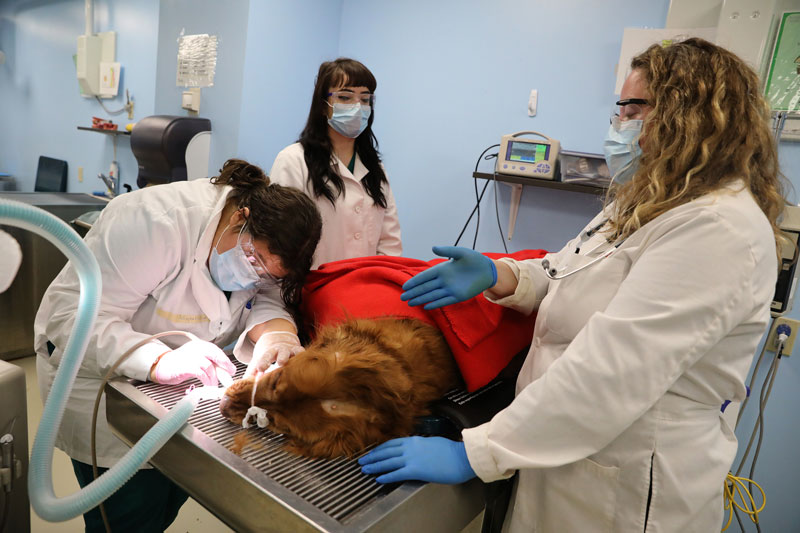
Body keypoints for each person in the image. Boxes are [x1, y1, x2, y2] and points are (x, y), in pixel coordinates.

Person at [359, 38, 787, 531]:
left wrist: (475, 454)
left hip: (625, 483)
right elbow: (565, 271)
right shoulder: (644, 205)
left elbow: (611, 372)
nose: (617, 121)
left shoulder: (717, 228)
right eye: (618, 106)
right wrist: (499, 274)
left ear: (686, 114)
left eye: (632, 107)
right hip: (562, 455)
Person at [33, 159, 322, 532]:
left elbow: (266, 294)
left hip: (179, 400)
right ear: (240, 218)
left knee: (163, 504)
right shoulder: (155, 222)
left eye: (269, 272)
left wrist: (278, 334)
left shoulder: (263, 248)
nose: (255, 273)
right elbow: (70, 319)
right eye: (254, 260)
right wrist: (156, 360)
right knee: (128, 516)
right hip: (101, 393)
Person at [269, 57, 402, 269]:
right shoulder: (294, 161)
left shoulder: (376, 169)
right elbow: (280, 240)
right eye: (345, 97)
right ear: (324, 106)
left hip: (365, 290)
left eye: (365, 99)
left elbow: (390, 243)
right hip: (312, 291)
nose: (357, 106)